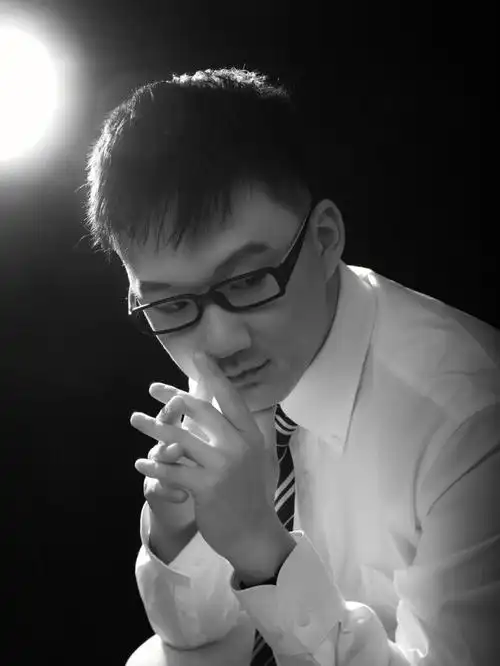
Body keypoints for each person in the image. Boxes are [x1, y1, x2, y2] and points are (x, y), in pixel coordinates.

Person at [83, 68, 500, 665]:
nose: (220, 340)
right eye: (171, 304)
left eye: (249, 280)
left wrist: (262, 553)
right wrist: (177, 532)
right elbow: (191, 638)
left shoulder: (474, 416)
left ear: (325, 238)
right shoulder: (229, 352)